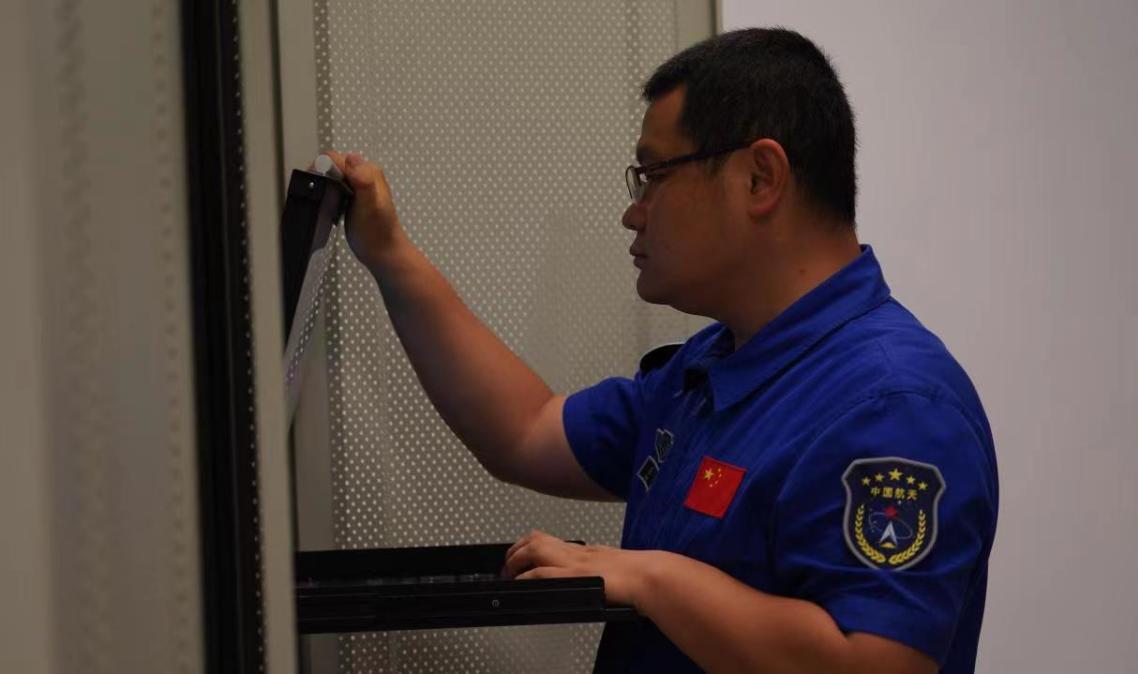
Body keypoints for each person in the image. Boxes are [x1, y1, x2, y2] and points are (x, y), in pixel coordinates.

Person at [324, 26, 997, 674]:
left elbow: (871, 660)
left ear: (760, 179)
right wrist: (390, 254)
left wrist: (652, 579)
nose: (634, 211)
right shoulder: (715, 367)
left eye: (653, 175)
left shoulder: (894, 405)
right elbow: (526, 432)